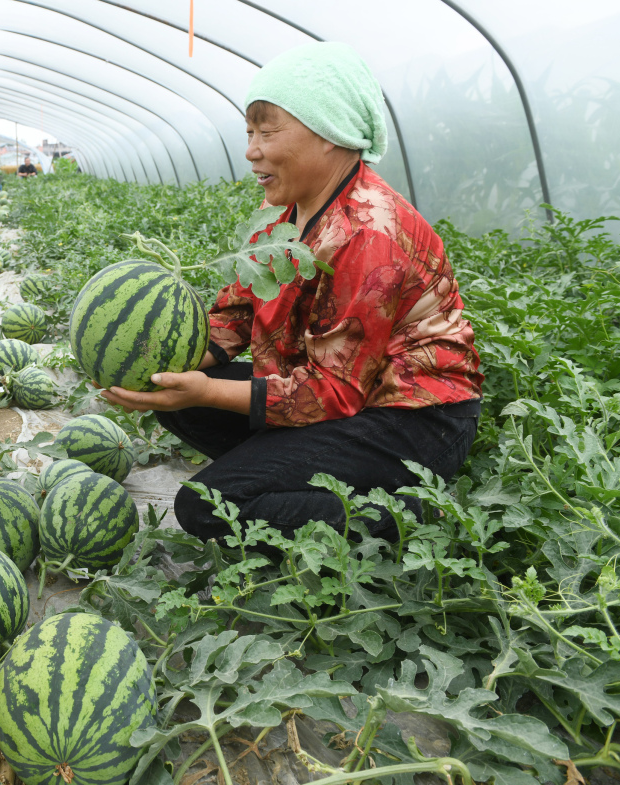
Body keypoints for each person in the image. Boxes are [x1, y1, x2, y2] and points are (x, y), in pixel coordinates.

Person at [100, 42, 483, 544]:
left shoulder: (372, 233)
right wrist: (162, 367)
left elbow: (337, 391)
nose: (251, 150)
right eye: (249, 132)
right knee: (178, 398)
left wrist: (210, 388)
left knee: (208, 507)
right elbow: (236, 316)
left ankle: (405, 513)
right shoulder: (284, 218)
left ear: (329, 135)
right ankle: (289, 478)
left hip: (412, 419)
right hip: (340, 397)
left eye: (267, 130)